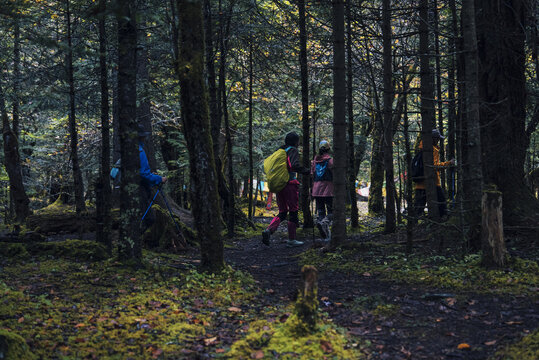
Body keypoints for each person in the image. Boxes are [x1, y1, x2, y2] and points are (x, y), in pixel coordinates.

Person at [262, 132, 310, 247]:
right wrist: (306, 171)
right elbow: (294, 165)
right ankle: (292, 239)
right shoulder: (292, 150)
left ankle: (269, 230)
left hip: (280, 185)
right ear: (295, 142)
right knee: (293, 210)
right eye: (298, 141)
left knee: (283, 212)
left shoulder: (281, 150)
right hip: (290, 184)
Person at [413, 128, 454, 218]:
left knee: (418, 206)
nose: (439, 140)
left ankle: (413, 224)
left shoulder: (422, 148)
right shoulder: (432, 150)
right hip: (432, 181)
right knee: (441, 202)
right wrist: (448, 163)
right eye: (438, 138)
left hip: (421, 182)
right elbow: (434, 166)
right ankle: (441, 219)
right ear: (433, 139)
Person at [139, 124, 167, 232]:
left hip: (136, 189)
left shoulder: (132, 150)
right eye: (143, 136)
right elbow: (144, 174)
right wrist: (159, 179)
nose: (145, 138)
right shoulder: (139, 151)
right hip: (140, 189)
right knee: (148, 218)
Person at [311, 140, 334, 240]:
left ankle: (325, 233)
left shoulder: (314, 161)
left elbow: (312, 175)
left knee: (320, 211)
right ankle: (325, 224)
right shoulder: (330, 161)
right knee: (332, 211)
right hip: (328, 190)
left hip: (316, 190)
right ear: (328, 149)